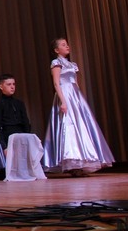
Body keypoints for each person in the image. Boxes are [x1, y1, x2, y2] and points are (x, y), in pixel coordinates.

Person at [42, 38, 115, 175]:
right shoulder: (56, 63)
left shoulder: (72, 64)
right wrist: (63, 101)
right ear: (56, 50)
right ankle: (72, 162)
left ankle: (83, 161)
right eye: (63, 45)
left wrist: (80, 101)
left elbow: (75, 83)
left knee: (80, 126)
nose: (67, 46)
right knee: (69, 126)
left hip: (75, 96)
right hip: (65, 94)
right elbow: (57, 83)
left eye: (67, 44)